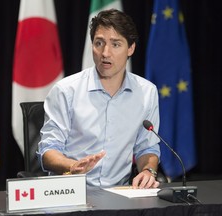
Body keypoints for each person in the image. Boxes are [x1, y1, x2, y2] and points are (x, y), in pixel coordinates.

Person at [37, 9, 160, 189]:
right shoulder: (66, 90)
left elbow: (147, 148)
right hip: (70, 191)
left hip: (121, 194)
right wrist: (71, 166)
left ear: (131, 48)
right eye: (99, 43)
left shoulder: (147, 92)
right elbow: (47, 150)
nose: (105, 53)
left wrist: (148, 171)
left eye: (116, 44)